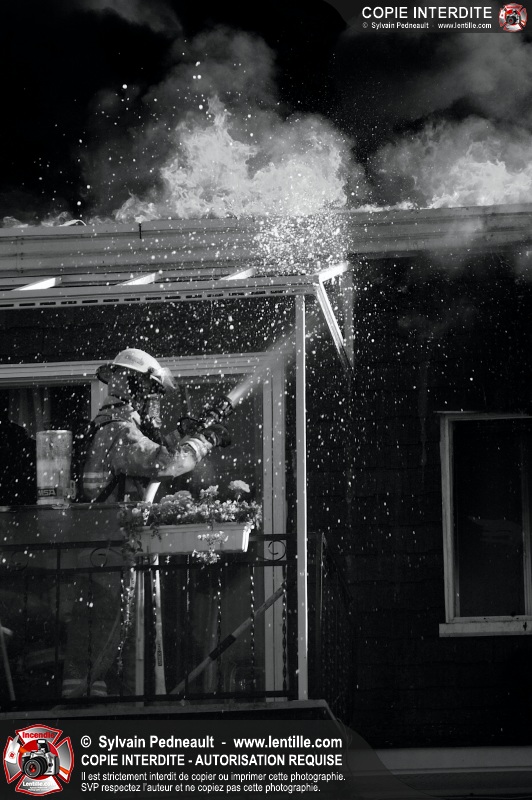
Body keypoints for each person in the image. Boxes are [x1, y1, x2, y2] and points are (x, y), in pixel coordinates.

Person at [62, 348, 230, 699]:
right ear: (136, 389)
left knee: (101, 656)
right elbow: (164, 463)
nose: (154, 404)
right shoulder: (121, 431)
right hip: (110, 556)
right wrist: (202, 441)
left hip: (102, 554)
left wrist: (181, 434)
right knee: (101, 655)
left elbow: (146, 456)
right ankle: (85, 716)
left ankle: (94, 708)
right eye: (152, 394)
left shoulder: (109, 428)